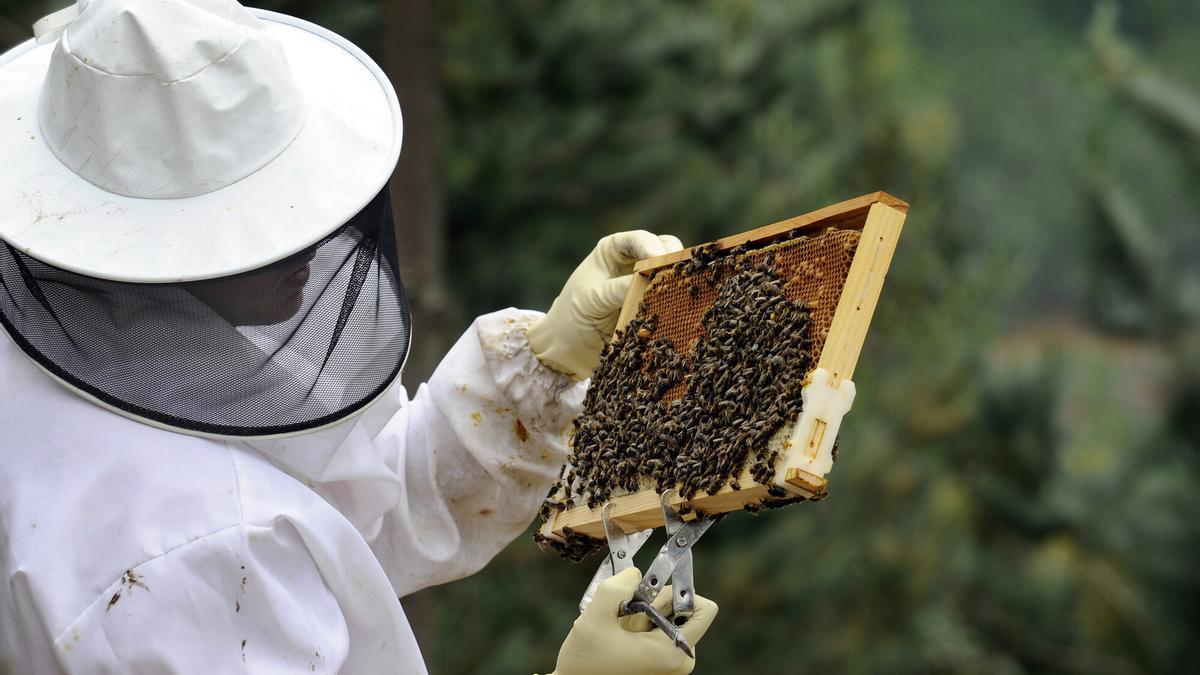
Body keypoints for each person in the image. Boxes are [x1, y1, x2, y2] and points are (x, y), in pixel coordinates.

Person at [0, 0, 719, 673]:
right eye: (261, 220)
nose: (314, 237)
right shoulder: (191, 549)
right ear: (154, 248)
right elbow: (253, 537)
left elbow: (340, 518)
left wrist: (540, 371)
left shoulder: (142, 347)